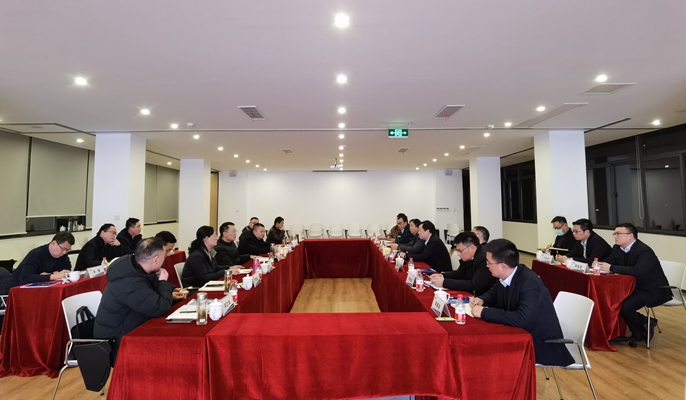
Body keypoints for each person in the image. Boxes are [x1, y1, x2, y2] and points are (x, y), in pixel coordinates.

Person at [470, 239, 574, 366]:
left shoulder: (530, 283)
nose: (487, 266)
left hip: (540, 342)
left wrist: (484, 312)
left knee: (489, 351)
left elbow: (522, 318)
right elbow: (494, 293)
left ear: (503, 266)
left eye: (489, 262)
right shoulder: (506, 274)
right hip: (518, 333)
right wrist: (482, 299)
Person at [94, 237, 185, 365]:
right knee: (172, 348)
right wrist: (163, 282)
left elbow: (151, 286)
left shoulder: (136, 267)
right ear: (155, 259)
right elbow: (160, 307)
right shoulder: (129, 282)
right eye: (164, 255)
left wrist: (172, 289)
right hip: (117, 342)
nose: (165, 259)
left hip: (133, 326)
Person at [597, 223, 672, 344]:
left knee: (625, 307)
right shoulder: (617, 248)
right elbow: (609, 262)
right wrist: (598, 265)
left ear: (630, 236)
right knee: (614, 302)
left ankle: (639, 331)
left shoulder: (644, 251)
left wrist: (611, 268)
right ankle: (643, 324)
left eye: (618, 234)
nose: (615, 236)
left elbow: (638, 271)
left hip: (651, 289)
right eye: (614, 234)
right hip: (632, 286)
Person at [0, 232, 75, 295]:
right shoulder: (36, 254)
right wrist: (54, 276)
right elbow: (26, 278)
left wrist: (49, 275)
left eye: (67, 250)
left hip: (38, 290)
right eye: (63, 249)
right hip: (16, 292)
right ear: (53, 243)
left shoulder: (62, 255)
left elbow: (66, 270)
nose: (64, 252)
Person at [429, 232, 496, 296]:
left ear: (472, 248)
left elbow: (473, 285)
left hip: (485, 298)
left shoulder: (484, 258)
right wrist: (441, 275)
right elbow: (460, 274)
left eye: (460, 251)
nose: (458, 254)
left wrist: (444, 282)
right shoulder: (468, 256)